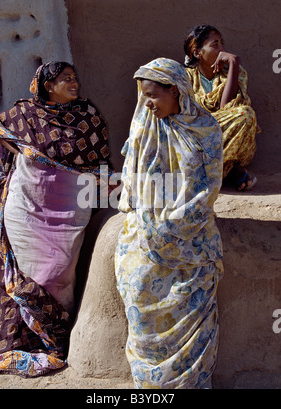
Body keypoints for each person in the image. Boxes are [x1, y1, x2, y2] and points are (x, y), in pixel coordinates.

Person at [0, 61, 113, 377]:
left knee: (58, 274)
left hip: (68, 211)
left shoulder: (89, 117)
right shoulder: (25, 113)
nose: (73, 82)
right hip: (26, 209)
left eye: (74, 77)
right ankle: (19, 341)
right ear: (46, 85)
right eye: (65, 78)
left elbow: (101, 161)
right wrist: (16, 160)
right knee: (25, 276)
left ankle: (54, 340)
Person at [115, 58, 224, 389]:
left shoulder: (205, 130)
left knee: (192, 287)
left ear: (175, 91)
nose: (147, 103)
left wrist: (172, 228)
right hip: (148, 227)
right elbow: (133, 185)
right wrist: (149, 223)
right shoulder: (147, 126)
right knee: (137, 286)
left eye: (153, 95)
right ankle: (151, 385)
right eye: (144, 95)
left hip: (189, 229)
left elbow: (207, 188)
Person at [184, 24, 260, 191]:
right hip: (198, 140)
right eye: (215, 45)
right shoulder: (185, 78)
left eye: (222, 43)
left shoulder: (236, 73)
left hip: (227, 139)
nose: (222, 49)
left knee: (245, 114)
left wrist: (233, 64)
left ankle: (213, 172)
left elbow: (228, 109)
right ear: (197, 52)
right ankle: (229, 172)